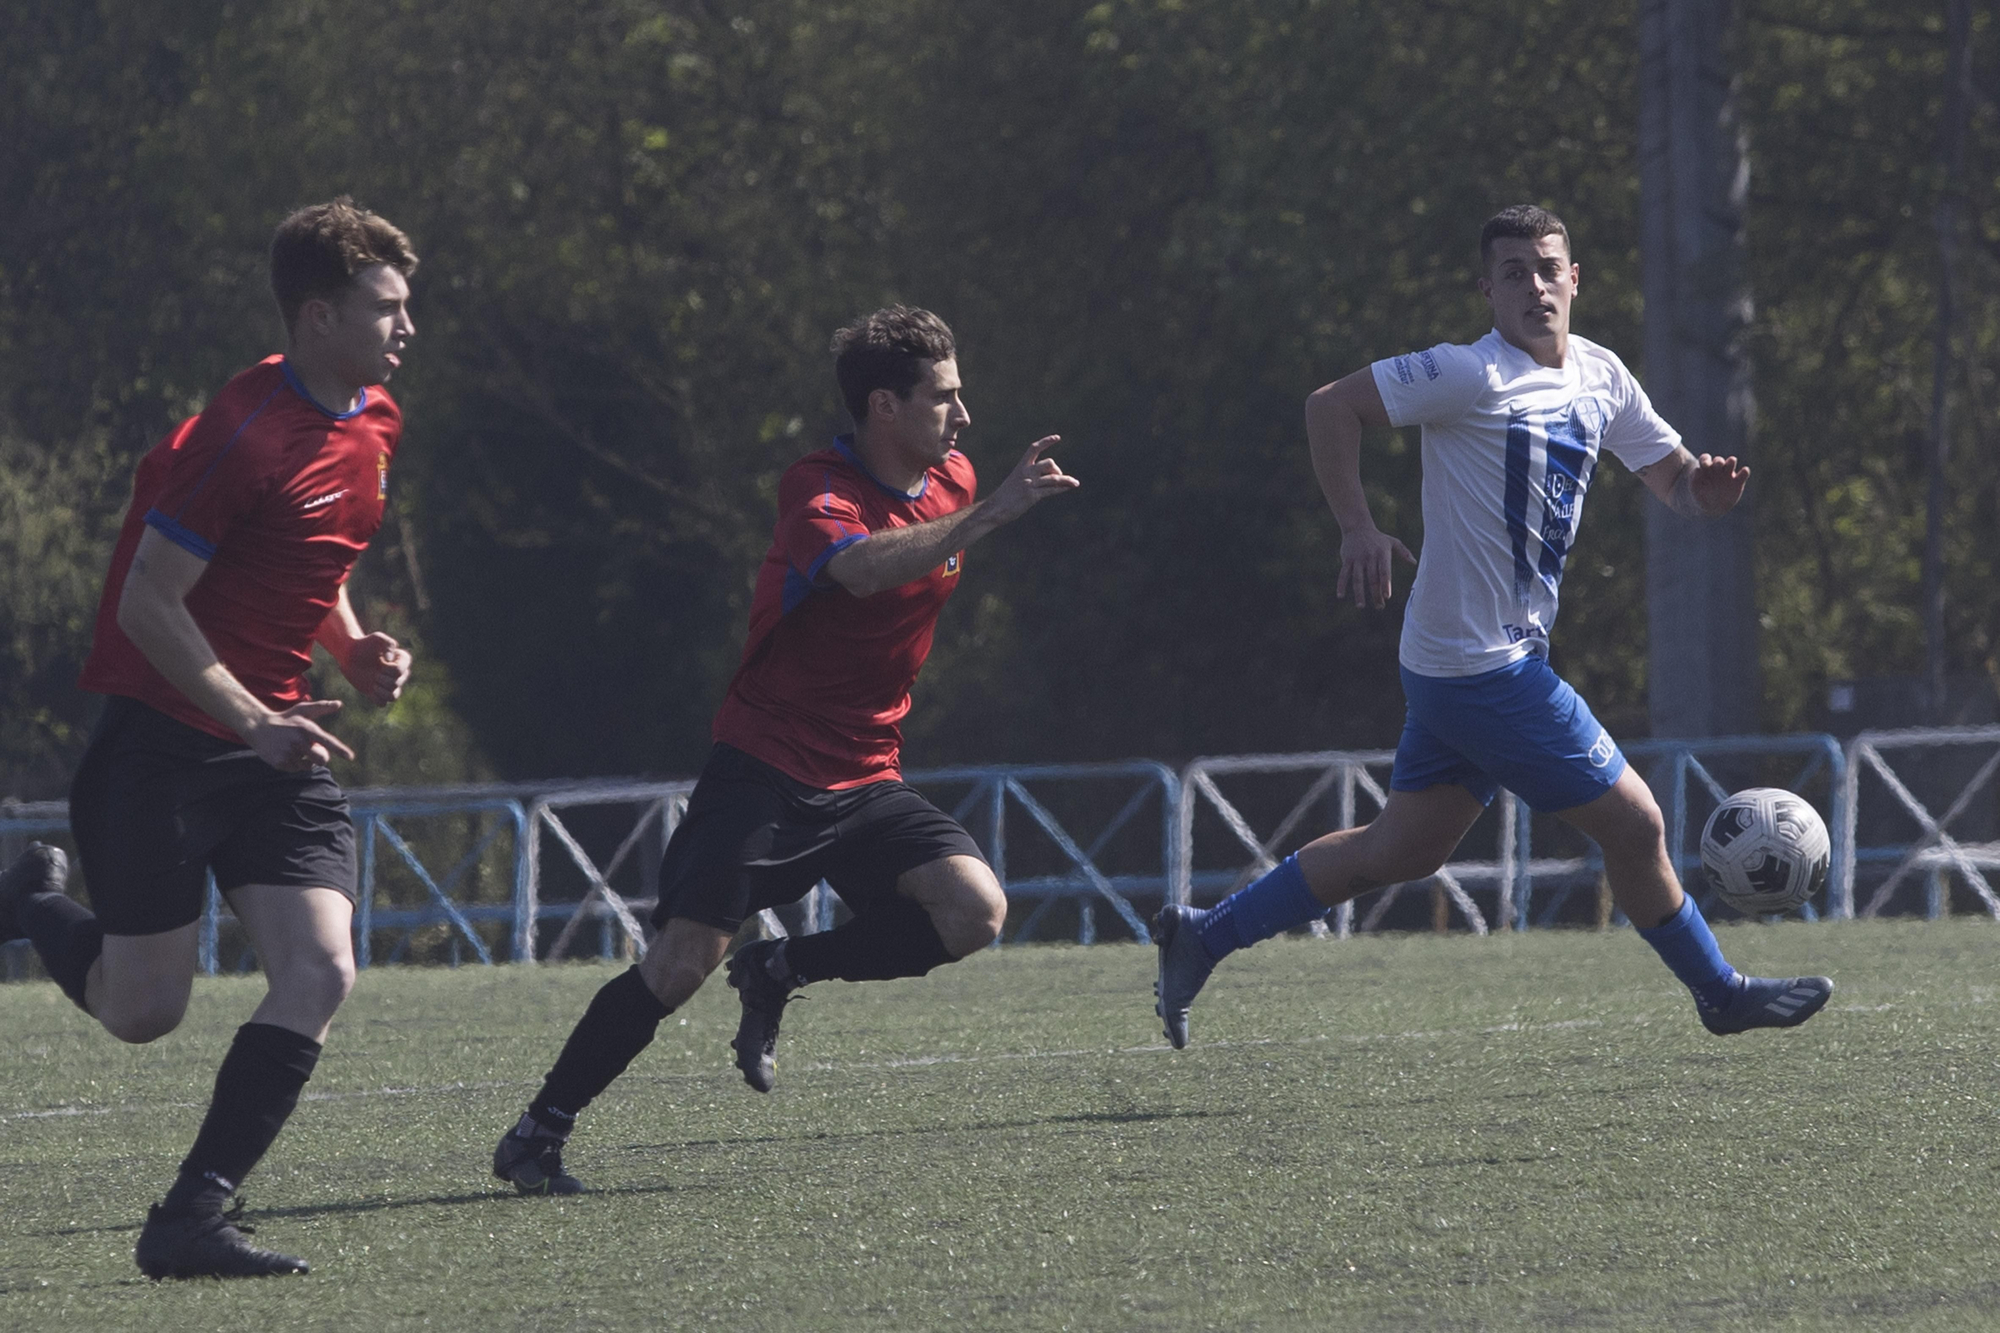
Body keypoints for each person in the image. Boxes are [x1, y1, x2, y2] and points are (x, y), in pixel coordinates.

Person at [1154, 204, 1832, 1049]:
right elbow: (1330, 406)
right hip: (1483, 666)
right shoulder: (1467, 373)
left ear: (1575, 279)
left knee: (1399, 850)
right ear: (1488, 290)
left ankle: (1202, 935)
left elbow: (1673, 478)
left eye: (1548, 268)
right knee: (1637, 822)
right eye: (1514, 272)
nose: (1535, 286)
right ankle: (1720, 991)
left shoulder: (1601, 376)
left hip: (1462, 659)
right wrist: (1357, 524)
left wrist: (1706, 491)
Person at [493, 305, 1078, 1194]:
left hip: (867, 774)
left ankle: (782, 965)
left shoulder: (954, 478)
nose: (963, 419)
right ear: (883, 406)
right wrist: (985, 519)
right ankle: (539, 1132)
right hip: (765, 766)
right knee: (682, 963)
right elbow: (860, 567)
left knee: (974, 912)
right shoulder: (817, 490)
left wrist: (977, 510)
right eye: (943, 397)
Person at [0, 197, 418, 1278]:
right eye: (385, 308)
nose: (406, 328)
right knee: (144, 1012)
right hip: (168, 744)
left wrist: (357, 646)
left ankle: (190, 1215)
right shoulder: (241, 431)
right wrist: (252, 721)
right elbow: (150, 601)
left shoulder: (375, 414)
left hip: (278, 737)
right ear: (317, 315)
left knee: (321, 970)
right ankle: (30, 901)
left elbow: (306, 556)